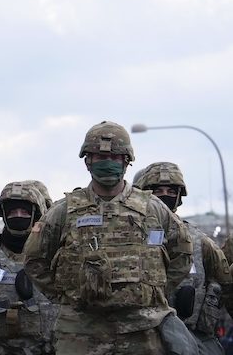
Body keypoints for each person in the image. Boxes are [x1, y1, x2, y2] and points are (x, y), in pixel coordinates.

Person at [23, 121, 193, 354]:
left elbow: (182, 253)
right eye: (100, 156)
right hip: (80, 331)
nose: (107, 162)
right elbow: (34, 259)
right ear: (87, 161)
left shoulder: (153, 209)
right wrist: (67, 294)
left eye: (115, 157)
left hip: (141, 330)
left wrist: (155, 290)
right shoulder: (64, 211)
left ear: (126, 161)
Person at [136, 161, 233, 355]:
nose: (165, 196)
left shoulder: (199, 241)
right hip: (141, 337)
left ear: (179, 197)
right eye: (158, 191)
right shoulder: (129, 235)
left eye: (172, 192)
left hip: (194, 337)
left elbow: (227, 286)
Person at [0, 181, 56, 354]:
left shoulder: (55, 258)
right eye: (12, 212)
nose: (18, 216)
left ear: (36, 214)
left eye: (24, 211)